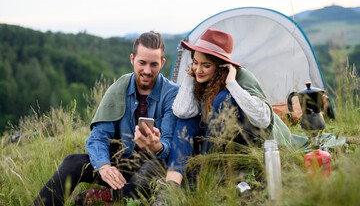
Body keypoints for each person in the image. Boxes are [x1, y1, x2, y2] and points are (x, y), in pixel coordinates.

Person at [32, 31, 179, 206]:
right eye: (142, 63)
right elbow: (98, 137)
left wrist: (156, 146)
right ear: (132, 59)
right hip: (123, 163)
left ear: (162, 63)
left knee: (151, 172)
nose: (147, 70)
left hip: (153, 167)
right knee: (73, 162)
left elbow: (169, 145)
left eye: (153, 64)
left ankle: (107, 196)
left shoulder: (171, 93)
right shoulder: (119, 88)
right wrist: (104, 166)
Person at [158, 28, 291, 192]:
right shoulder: (200, 78)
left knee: (223, 98)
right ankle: (170, 187)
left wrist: (232, 84)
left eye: (205, 65)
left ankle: (202, 171)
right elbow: (182, 112)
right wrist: (189, 77)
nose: (198, 69)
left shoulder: (242, 77)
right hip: (219, 140)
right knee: (187, 121)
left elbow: (263, 119)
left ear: (221, 66)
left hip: (251, 139)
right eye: (195, 63)